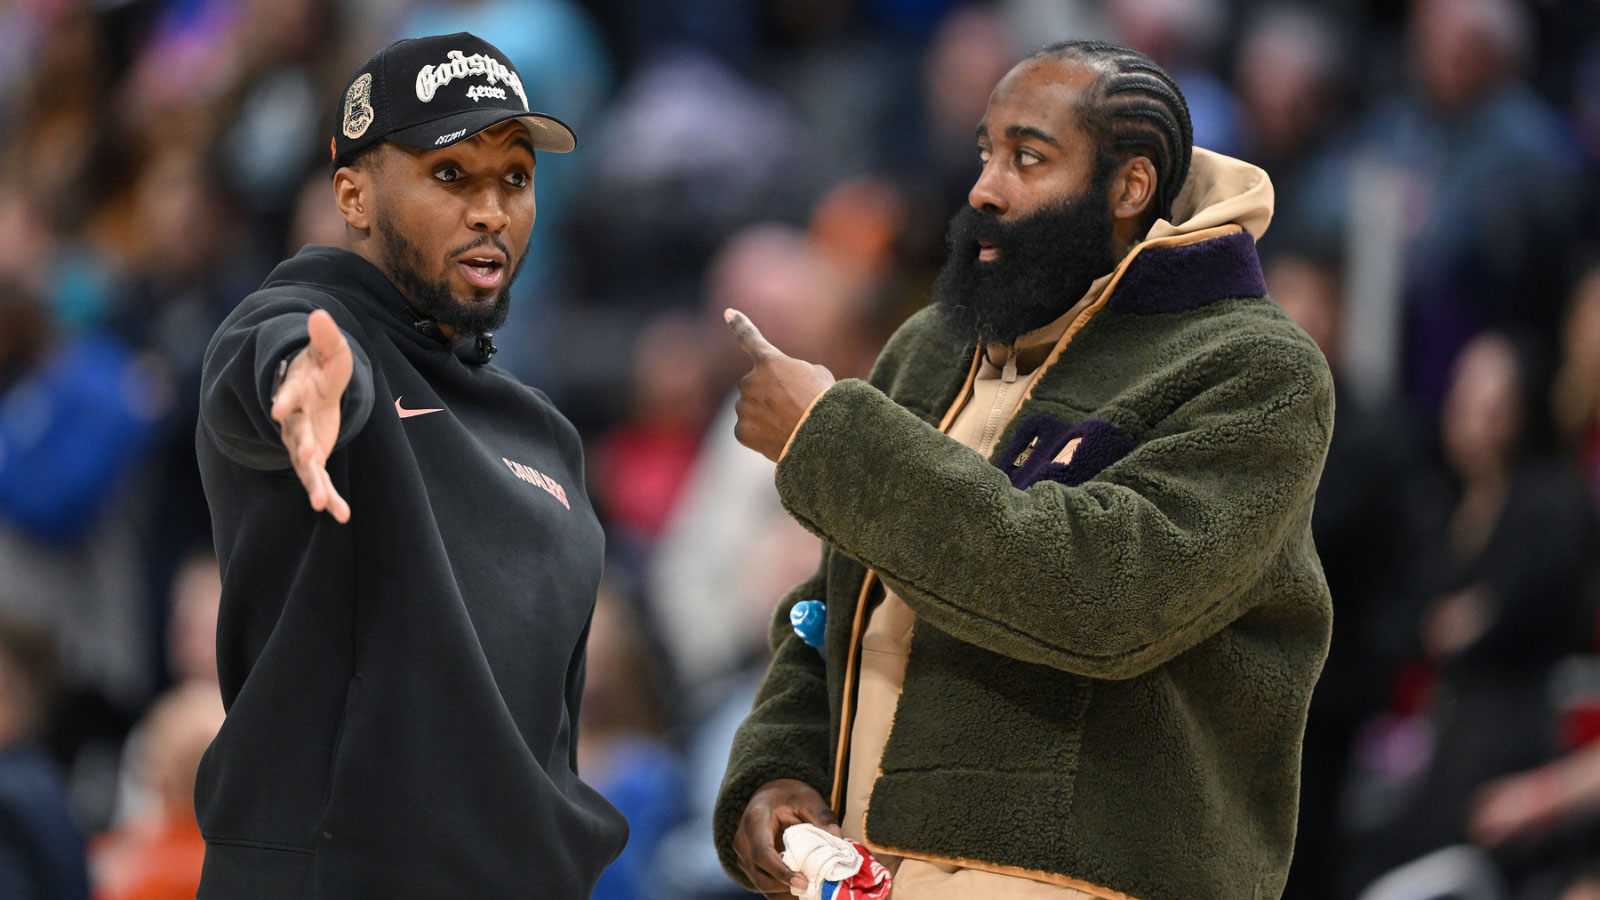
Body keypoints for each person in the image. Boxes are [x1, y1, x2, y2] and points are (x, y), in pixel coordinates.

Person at [713, 40, 1335, 900]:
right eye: (985, 151)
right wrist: (776, 769)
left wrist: (829, 439)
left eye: (1028, 158)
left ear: (1130, 187)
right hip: (864, 872)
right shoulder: (931, 349)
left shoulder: (1255, 367)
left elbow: (1105, 594)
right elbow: (834, 603)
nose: (985, 187)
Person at [194, 33, 627, 899]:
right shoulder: (300, 325)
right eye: (451, 175)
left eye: (515, 178)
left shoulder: (545, 434)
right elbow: (287, 360)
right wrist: (305, 386)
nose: (492, 213)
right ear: (353, 194)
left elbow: (550, 729)